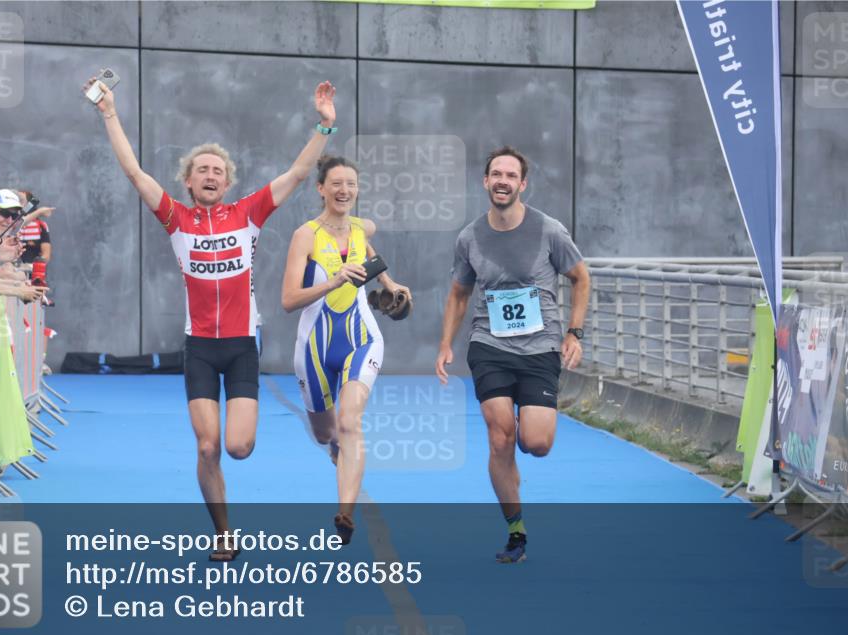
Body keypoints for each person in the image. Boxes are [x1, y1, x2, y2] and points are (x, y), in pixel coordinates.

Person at [86, 75, 340, 560]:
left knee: (239, 447)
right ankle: (224, 534)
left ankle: (320, 441)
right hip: (200, 347)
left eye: (216, 170)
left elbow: (295, 175)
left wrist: (323, 127)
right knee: (208, 448)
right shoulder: (176, 217)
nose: (208, 175)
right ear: (188, 180)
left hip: (242, 345)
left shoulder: (247, 213)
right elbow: (136, 174)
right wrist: (109, 114)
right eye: (200, 169)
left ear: (227, 181)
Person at [435, 146, 590, 564]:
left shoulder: (549, 230)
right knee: (499, 436)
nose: (502, 181)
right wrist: (447, 342)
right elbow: (459, 292)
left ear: (523, 184)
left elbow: (580, 278)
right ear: (485, 182)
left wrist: (574, 332)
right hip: (490, 346)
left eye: (510, 175)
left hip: (540, 348)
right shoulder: (469, 237)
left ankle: (527, 421)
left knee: (535, 443)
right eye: (495, 174)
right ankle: (516, 531)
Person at [281, 156, 411, 543]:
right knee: (326, 434)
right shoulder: (305, 235)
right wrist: (335, 280)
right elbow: (289, 300)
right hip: (315, 347)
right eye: (336, 183)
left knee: (351, 420)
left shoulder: (359, 228)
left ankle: (345, 513)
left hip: (361, 339)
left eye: (351, 184)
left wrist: (389, 283)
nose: (344, 190)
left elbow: (368, 249)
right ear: (320, 188)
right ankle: (335, 442)